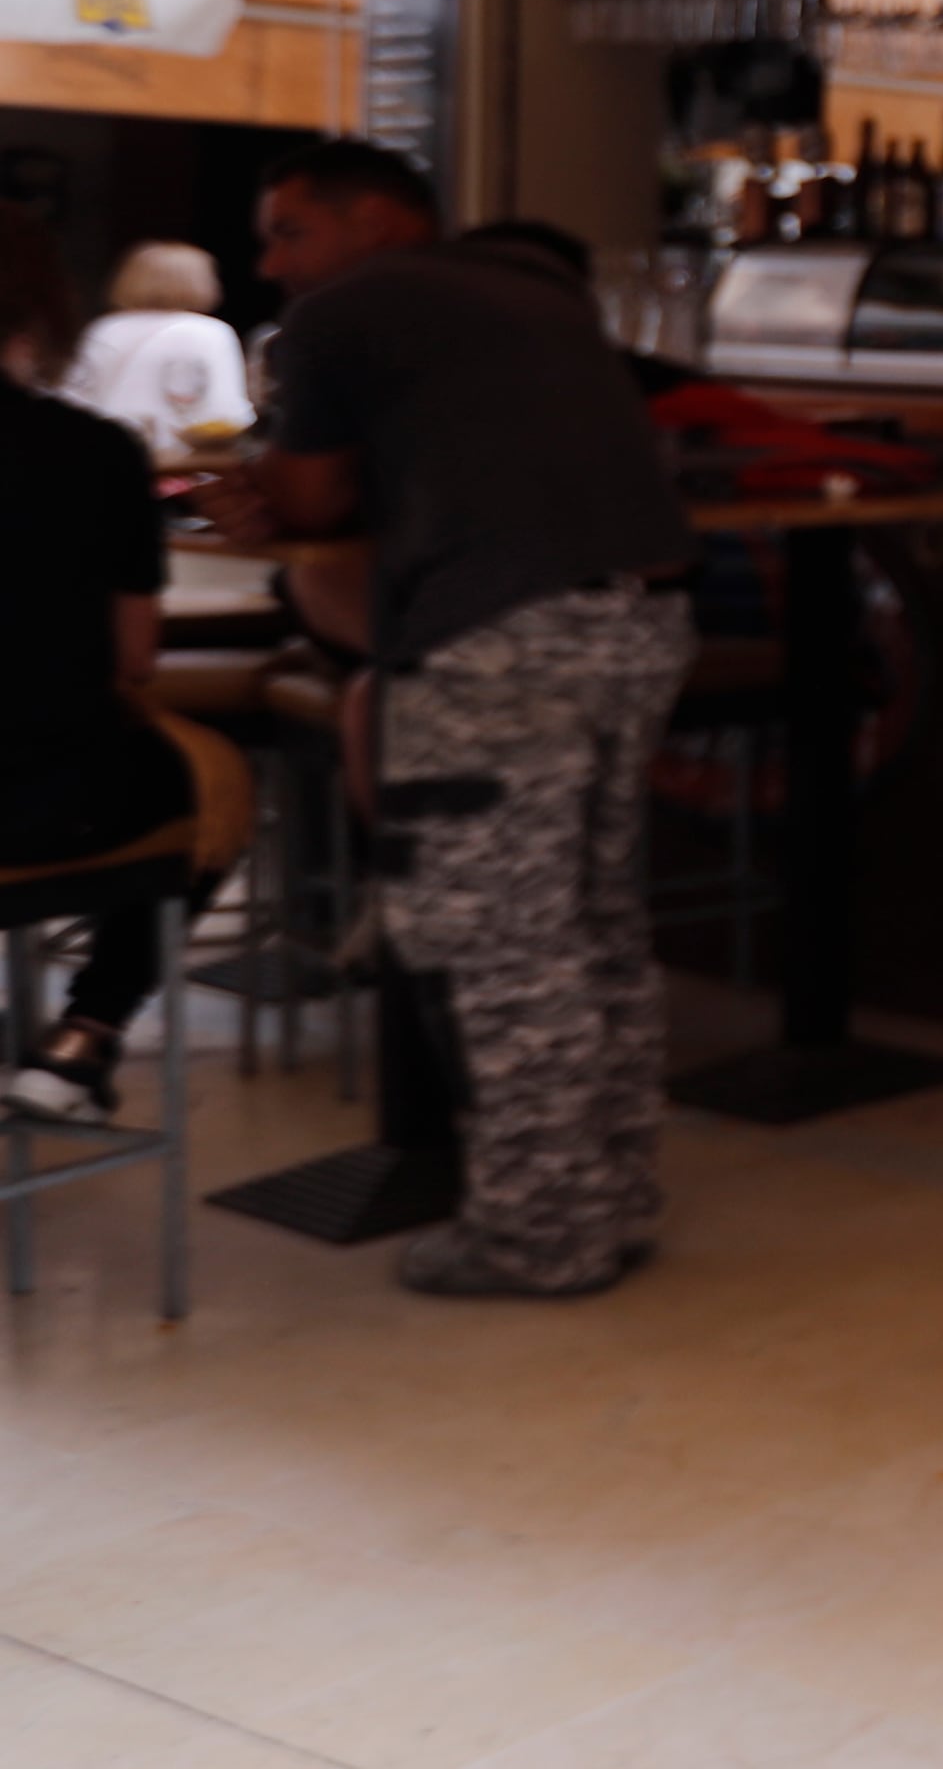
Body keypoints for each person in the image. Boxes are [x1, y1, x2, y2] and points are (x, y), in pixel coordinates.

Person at [213, 139, 696, 1299]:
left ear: (379, 219)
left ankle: (542, 1238)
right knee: (594, 928)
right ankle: (613, 1200)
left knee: (502, 948)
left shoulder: (344, 315)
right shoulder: (537, 297)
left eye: (291, 231)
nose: (271, 262)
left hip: (503, 635)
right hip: (646, 621)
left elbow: (309, 497)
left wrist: (255, 500)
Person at [1, 214, 204, 1122]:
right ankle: (83, 1033)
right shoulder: (97, 452)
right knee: (209, 782)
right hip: (48, 806)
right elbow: (135, 659)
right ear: (45, 309)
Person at [59, 239, 252, 462]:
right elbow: (225, 413)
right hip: (184, 467)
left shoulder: (103, 329)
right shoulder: (210, 332)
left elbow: (75, 400)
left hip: (109, 461)